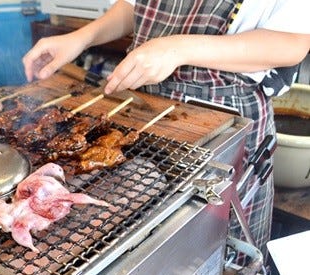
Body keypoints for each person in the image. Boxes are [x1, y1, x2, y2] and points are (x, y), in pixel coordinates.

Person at [23, 0, 310, 259]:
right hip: (146, 105)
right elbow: (135, 8)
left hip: (220, 115)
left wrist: (176, 49)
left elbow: (292, 43)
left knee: (216, 249)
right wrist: (80, 38)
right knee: (147, 247)